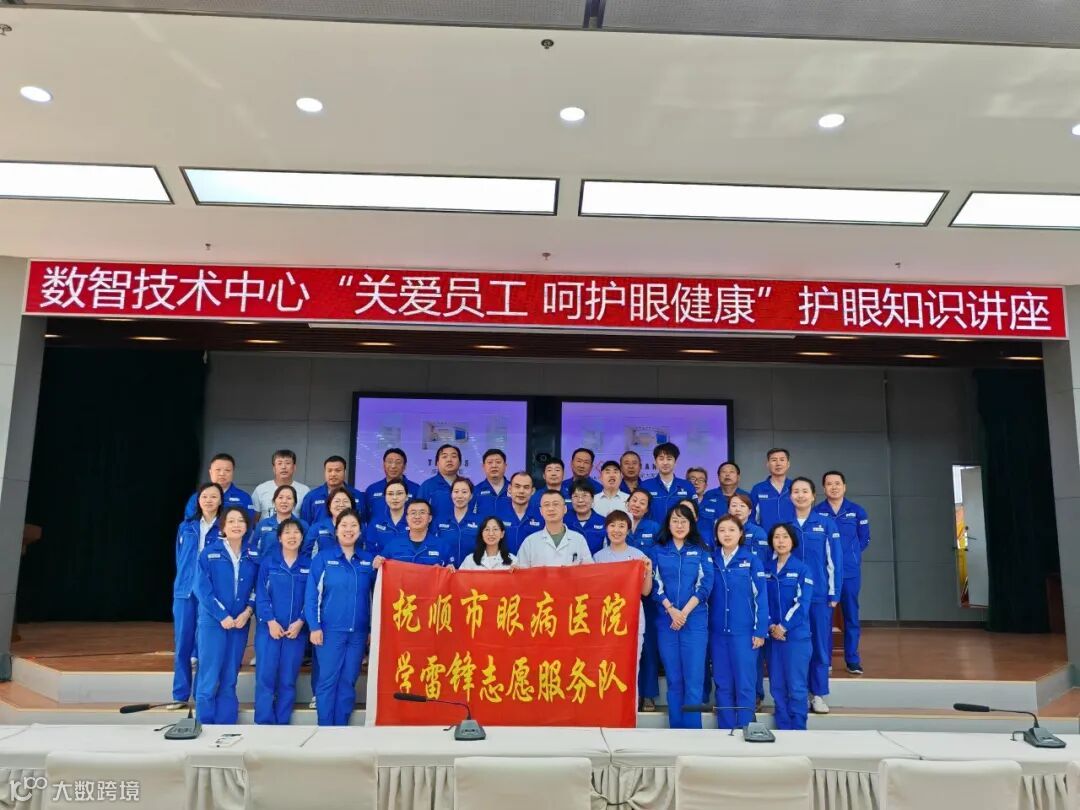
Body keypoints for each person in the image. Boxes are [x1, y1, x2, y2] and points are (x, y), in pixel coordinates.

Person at [305, 508, 377, 726]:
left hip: (358, 634)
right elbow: (312, 596)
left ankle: (341, 730)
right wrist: (314, 626)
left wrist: (372, 629)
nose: (349, 530)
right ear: (336, 531)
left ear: (360, 531)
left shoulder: (368, 561)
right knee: (327, 682)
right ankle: (325, 730)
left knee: (348, 682)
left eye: (353, 526)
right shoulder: (323, 559)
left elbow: (377, 596)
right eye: (344, 526)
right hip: (329, 632)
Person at [648, 503, 712, 729]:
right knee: (674, 680)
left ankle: (693, 733)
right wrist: (671, 610)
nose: (679, 525)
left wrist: (683, 613)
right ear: (668, 524)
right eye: (674, 520)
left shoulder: (701, 550)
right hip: (667, 622)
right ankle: (676, 731)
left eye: (684, 521)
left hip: (694, 622)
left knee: (693, 681)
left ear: (691, 524)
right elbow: (654, 585)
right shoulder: (657, 550)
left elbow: (706, 585)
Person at [193, 505, 258, 724]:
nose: (236, 525)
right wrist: (222, 615)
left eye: (240, 521)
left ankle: (226, 726)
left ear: (247, 526)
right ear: (223, 527)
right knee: (209, 677)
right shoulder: (209, 553)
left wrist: (248, 612)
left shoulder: (253, 555)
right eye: (231, 521)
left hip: (239, 624)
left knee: (230, 677)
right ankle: (204, 725)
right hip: (214, 623)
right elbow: (202, 588)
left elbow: (257, 588)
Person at [708, 515, 768, 730]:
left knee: (745, 683)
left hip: (744, 633)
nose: (727, 534)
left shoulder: (751, 561)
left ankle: (746, 728)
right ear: (716, 534)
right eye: (722, 530)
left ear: (741, 533)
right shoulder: (711, 560)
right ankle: (725, 730)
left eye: (732, 530)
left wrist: (760, 630)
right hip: (717, 633)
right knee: (723, 683)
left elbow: (761, 596)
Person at [789, 476, 841, 715]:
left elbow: (834, 561)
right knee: (795, 647)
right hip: (791, 597)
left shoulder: (826, 524)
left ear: (812, 496)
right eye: (796, 491)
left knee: (819, 646)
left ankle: (818, 694)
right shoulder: (785, 526)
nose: (800, 495)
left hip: (819, 596)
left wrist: (834, 592)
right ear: (790, 496)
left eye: (804, 491)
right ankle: (798, 693)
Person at [593, 510, 654, 709]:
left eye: (621, 526)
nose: (616, 530)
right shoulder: (598, 558)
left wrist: (648, 571)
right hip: (606, 620)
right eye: (612, 525)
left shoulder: (638, 556)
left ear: (628, 530)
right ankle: (606, 711)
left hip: (632, 618)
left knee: (629, 667)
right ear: (606, 529)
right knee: (605, 666)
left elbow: (645, 591)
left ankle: (628, 714)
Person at [253, 518, 309, 725]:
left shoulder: (309, 565)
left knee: (287, 679)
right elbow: (261, 594)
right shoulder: (269, 563)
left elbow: (312, 598)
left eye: (296, 532)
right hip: (269, 630)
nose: (292, 536)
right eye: (287, 532)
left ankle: (282, 723)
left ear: (302, 537)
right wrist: (270, 621)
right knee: (265, 678)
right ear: (279, 538)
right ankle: (264, 722)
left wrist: (301, 621)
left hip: (296, 632)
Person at [171, 482, 222, 707]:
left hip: (210, 593)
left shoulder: (224, 527)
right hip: (185, 591)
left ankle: (201, 695)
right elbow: (180, 558)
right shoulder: (186, 527)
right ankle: (179, 695)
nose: (209, 500)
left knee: (205, 646)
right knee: (182, 643)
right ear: (198, 501)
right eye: (205, 496)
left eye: (214, 496)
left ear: (220, 501)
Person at [816, 470, 870, 675]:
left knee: (851, 616)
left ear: (844, 486)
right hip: (824, 574)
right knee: (824, 618)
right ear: (824, 488)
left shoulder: (857, 511)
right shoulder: (817, 512)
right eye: (829, 484)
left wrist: (850, 555)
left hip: (849, 572)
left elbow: (864, 539)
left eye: (837, 483)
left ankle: (852, 660)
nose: (834, 487)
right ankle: (825, 661)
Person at [764, 523, 814, 730]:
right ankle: (784, 729)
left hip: (795, 637)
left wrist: (783, 627)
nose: (781, 541)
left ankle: (799, 731)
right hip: (773, 638)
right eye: (777, 537)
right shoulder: (765, 568)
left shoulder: (803, 569)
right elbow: (760, 600)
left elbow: (802, 604)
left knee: (796, 686)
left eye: (785, 537)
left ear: (793, 541)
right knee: (777, 686)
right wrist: (770, 626)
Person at [729, 491, 771, 707]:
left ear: (750, 510)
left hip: (751, 595)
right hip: (729, 597)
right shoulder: (723, 529)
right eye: (733, 505)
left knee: (752, 651)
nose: (737, 509)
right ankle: (731, 696)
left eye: (742, 506)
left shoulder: (759, 533)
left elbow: (761, 564)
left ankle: (755, 694)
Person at [624, 488, 662, 711]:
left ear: (647, 509)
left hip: (646, 596)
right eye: (634, 500)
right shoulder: (619, 524)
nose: (637, 504)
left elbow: (656, 558)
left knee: (647, 646)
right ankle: (627, 694)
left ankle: (648, 694)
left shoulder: (654, 528)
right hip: (622, 596)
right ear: (627, 503)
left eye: (642, 502)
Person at [515, 489, 594, 568]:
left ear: (565, 509)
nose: (551, 509)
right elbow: (521, 571)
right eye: (546, 505)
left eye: (556, 504)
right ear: (541, 511)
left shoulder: (579, 539)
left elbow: (589, 570)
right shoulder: (530, 542)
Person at [376, 498, 455, 566]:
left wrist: (449, 570)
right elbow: (380, 572)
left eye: (422, 512)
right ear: (407, 518)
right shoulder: (393, 545)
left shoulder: (443, 546)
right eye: (413, 513)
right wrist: (377, 565)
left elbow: (451, 573)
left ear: (430, 518)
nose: (417, 517)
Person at [183, 453, 253, 520]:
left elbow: (250, 523)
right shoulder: (197, 497)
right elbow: (188, 523)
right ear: (210, 472)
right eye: (218, 470)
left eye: (227, 470)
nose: (222, 474)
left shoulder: (244, 497)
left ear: (232, 473)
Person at [301, 456, 365, 527]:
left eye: (338, 470)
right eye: (329, 470)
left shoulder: (358, 495)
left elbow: (363, 522)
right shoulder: (312, 496)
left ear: (345, 472)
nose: (333, 474)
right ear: (325, 472)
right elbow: (305, 525)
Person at [641, 442, 694, 524]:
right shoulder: (645, 486)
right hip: (653, 532)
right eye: (661, 459)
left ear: (675, 462)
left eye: (669, 459)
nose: (665, 463)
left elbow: (694, 515)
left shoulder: (687, 486)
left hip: (679, 531)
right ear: (655, 462)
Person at [251, 449, 310, 520]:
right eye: (279, 463)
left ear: (294, 467)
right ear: (274, 468)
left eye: (287, 463)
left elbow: (307, 520)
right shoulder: (260, 489)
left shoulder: (304, 491)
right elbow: (254, 520)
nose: (283, 467)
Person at [253, 485, 309, 558]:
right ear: (274, 502)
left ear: (294, 504)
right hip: (266, 565)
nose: (284, 501)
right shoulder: (263, 524)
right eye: (280, 497)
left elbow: (307, 551)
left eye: (289, 498)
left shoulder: (303, 525)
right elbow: (254, 548)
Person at [363, 448, 419, 521]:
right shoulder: (372, 489)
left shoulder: (416, 489)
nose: (393, 466)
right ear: (383, 465)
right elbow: (366, 517)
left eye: (398, 462)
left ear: (404, 466)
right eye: (389, 462)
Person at [496, 471, 544, 554]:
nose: (521, 491)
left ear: (532, 491)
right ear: (509, 489)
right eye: (517, 486)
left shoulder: (541, 515)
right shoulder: (497, 513)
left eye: (526, 487)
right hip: (504, 561)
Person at [436, 477, 481, 566]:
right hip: (446, 570)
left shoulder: (480, 521)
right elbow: (434, 547)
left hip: (471, 571)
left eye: (464, 492)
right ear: (451, 494)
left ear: (471, 496)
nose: (459, 496)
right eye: (456, 492)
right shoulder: (440, 520)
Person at [303, 488, 356, 558]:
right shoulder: (316, 528)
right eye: (337, 501)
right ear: (329, 506)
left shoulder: (360, 528)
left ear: (352, 505)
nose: (341, 505)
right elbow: (306, 555)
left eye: (345, 501)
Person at [751, 449, 795, 531]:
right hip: (765, 536)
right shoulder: (758, 489)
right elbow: (751, 516)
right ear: (768, 464)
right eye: (774, 460)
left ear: (788, 464)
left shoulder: (795, 487)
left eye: (782, 460)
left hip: (792, 536)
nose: (778, 463)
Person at [418, 443, 462, 523]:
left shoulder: (466, 486)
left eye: (454, 456)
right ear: (437, 463)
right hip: (435, 530)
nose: (449, 460)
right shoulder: (427, 486)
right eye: (444, 457)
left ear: (460, 463)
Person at [363, 478, 408, 555]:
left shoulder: (414, 521)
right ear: (385, 497)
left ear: (406, 497)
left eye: (399, 493)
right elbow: (369, 551)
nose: (394, 497)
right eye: (390, 494)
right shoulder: (375, 522)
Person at [566, 479, 607, 555]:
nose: (580, 500)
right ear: (571, 499)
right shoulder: (563, 521)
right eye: (575, 496)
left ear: (592, 499)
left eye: (584, 495)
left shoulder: (604, 522)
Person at [472, 449, 509, 517]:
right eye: (490, 462)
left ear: (505, 466)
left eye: (498, 462)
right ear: (483, 467)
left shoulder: (514, 489)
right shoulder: (475, 491)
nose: (494, 466)